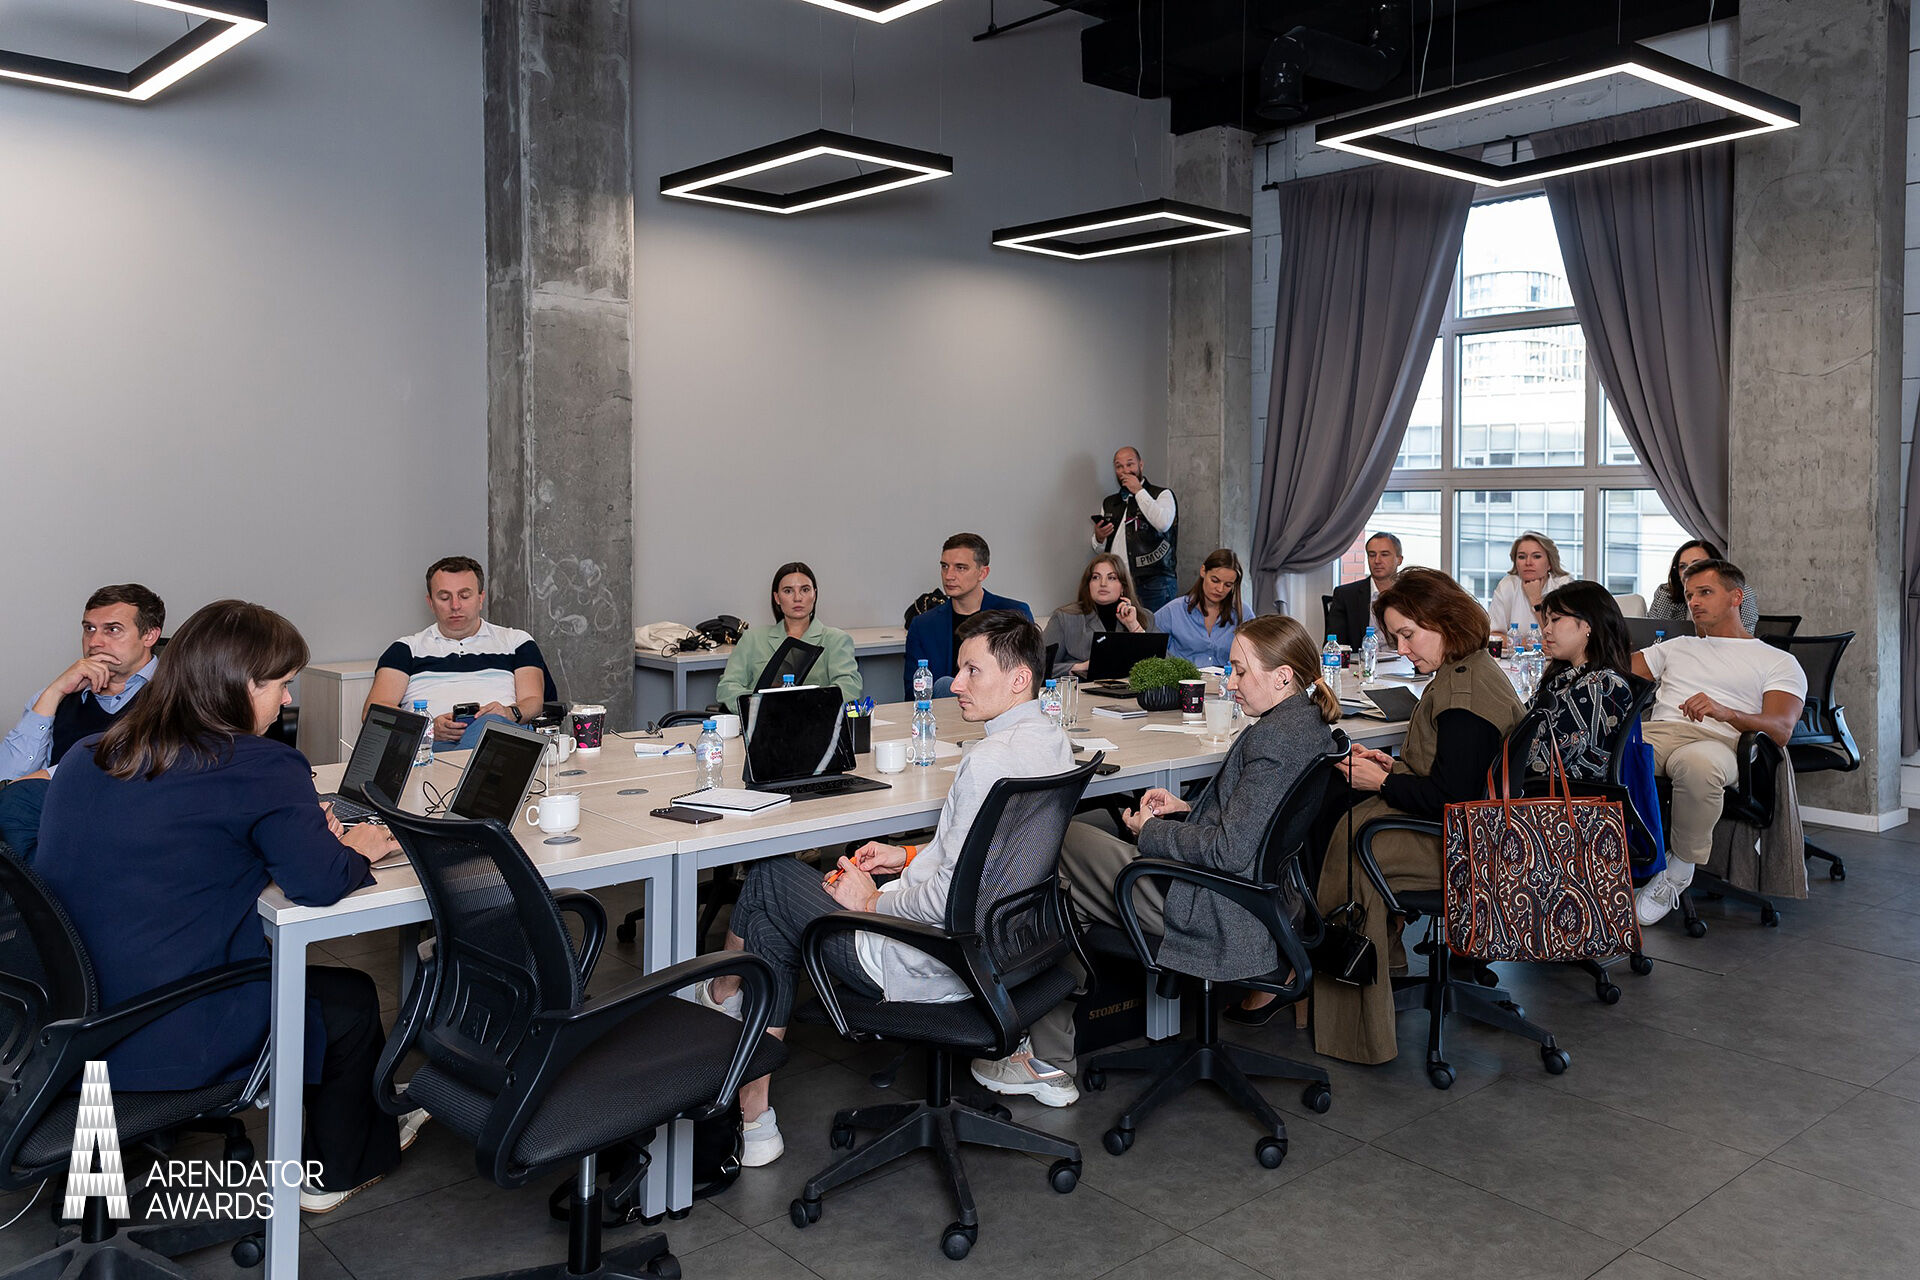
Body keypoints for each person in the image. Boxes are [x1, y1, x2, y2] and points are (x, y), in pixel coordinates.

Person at [33, 600, 425, 1214]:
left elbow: (181, 840)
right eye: (282, 684)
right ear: (242, 685)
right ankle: (339, 1170)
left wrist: (289, 831)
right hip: (166, 1028)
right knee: (348, 1002)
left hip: (65, 1018)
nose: (288, 700)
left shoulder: (91, 752)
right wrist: (357, 847)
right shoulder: (261, 763)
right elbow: (318, 883)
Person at [694, 612, 1071, 1165]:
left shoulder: (987, 761)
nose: (956, 684)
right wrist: (907, 856)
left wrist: (873, 901)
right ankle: (751, 1104)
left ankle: (723, 1006)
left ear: (1019, 680)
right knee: (776, 912)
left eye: (972, 670)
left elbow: (946, 901)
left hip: (930, 957)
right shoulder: (1053, 741)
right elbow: (994, 860)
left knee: (771, 878)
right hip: (1005, 953)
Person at [976, 615, 1343, 1098]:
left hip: (1216, 903)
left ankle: (1039, 1052)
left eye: (1239, 671)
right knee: (1079, 870)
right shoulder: (1306, 724)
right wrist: (1187, 810)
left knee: (1057, 843)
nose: (1229, 683)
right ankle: (1046, 1045)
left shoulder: (1274, 738)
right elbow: (1259, 824)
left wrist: (1151, 831)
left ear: (1282, 677)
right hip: (1256, 897)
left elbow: (1230, 850)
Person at [1312, 569, 1525, 1065]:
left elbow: (1450, 796)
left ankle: (1356, 1023)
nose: (1403, 649)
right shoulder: (1469, 670)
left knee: (1345, 839)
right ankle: (1380, 970)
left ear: (1445, 621)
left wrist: (1382, 783)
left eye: (1408, 634)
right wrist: (1391, 767)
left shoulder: (1464, 699)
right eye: (1396, 638)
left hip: (1455, 845)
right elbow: (1454, 772)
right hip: (1476, 833)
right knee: (1338, 809)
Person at [1629, 559, 1804, 926]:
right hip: (1662, 732)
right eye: (1690, 595)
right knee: (1611, 753)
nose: (1694, 602)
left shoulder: (1778, 661)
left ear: (1736, 597)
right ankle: (1609, 862)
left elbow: (1780, 729)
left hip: (1720, 741)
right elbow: (1615, 672)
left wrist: (1727, 713)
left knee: (1699, 766)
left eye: (1705, 592)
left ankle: (1679, 871)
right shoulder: (1676, 647)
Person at [0, 583, 165, 861]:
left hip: (126, 844)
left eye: (112, 630)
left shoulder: (178, 698)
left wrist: (44, 777)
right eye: (89, 628)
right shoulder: (57, 696)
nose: (94, 641)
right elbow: (8, 778)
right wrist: (54, 692)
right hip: (44, 836)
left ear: (150, 635)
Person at [364, 556, 547, 751]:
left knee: (490, 725)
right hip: (431, 748)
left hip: (500, 740)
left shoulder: (517, 642)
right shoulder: (406, 649)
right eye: (444, 598)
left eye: (464, 596)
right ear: (430, 602)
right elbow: (374, 711)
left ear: (481, 598)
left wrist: (509, 713)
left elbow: (533, 701)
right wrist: (428, 729)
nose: (455, 606)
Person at [714, 562, 863, 710]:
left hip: (815, 720)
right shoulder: (752, 639)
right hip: (762, 720)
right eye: (788, 591)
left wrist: (804, 706)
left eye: (805, 590)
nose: (797, 598)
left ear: (814, 594)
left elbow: (848, 688)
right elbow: (728, 687)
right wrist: (759, 707)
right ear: (777, 598)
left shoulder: (836, 640)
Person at [1527, 581, 1637, 781]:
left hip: (1559, 796)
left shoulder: (1600, 686)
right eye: (1547, 621)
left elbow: (1544, 761)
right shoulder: (1565, 676)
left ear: (1588, 624)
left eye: (1555, 619)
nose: (1546, 630)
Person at [902, 534, 1033, 698]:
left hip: (999, 710)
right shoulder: (923, 625)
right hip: (942, 711)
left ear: (982, 573)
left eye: (960, 568)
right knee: (944, 684)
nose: (949, 576)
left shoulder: (1013, 614)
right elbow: (913, 694)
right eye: (944, 566)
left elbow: (1029, 682)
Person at [1040, 553, 1158, 678]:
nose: (1103, 583)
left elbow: (1165, 666)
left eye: (1111, 578)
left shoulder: (1144, 617)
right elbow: (1037, 665)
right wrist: (1078, 667)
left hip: (1130, 688)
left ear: (1123, 587)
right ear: (1088, 584)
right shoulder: (1065, 618)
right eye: (1096, 577)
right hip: (1084, 688)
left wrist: (1134, 627)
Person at [1092, 447, 1180, 612]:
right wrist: (1099, 538)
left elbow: (1163, 523)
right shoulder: (1110, 502)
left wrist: (1139, 491)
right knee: (1122, 628)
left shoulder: (1162, 494)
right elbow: (1100, 550)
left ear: (1141, 465)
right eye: (1119, 466)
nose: (1125, 470)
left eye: (1130, 464)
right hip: (1119, 582)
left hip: (1155, 582)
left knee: (1154, 627)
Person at [1153, 549, 1246, 670]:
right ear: (1203, 571)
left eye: (1228, 585)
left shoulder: (1243, 613)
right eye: (1215, 580)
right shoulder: (1173, 611)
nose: (1220, 589)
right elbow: (1148, 648)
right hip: (1182, 679)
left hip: (1226, 680)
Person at [1649, 538, 1762, 632]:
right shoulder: (1666, 594)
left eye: (1698, 564)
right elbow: (1650, 635)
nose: (1688, 571)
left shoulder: (1740, 593)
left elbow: (1745, 640)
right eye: (1683, 566)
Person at [1484, 531, 1575, 639]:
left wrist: (1536, 601)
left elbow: (1563, 638)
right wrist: (1527, 644)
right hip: (1517, 650)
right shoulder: (1508, 585)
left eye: (1536, 556)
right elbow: (1492, 635)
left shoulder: (1564, 585)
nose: (1528, 562)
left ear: (1550, 563)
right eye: (1522, 557)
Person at [1326, 532, 1403, 650]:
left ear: (1399, 560)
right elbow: (1335, 646)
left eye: (1384, 554)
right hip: (1361, 660)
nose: (1377, 560)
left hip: (1403, 659)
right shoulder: (1346, 595)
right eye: (1372, 555)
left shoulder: (1412, 594)